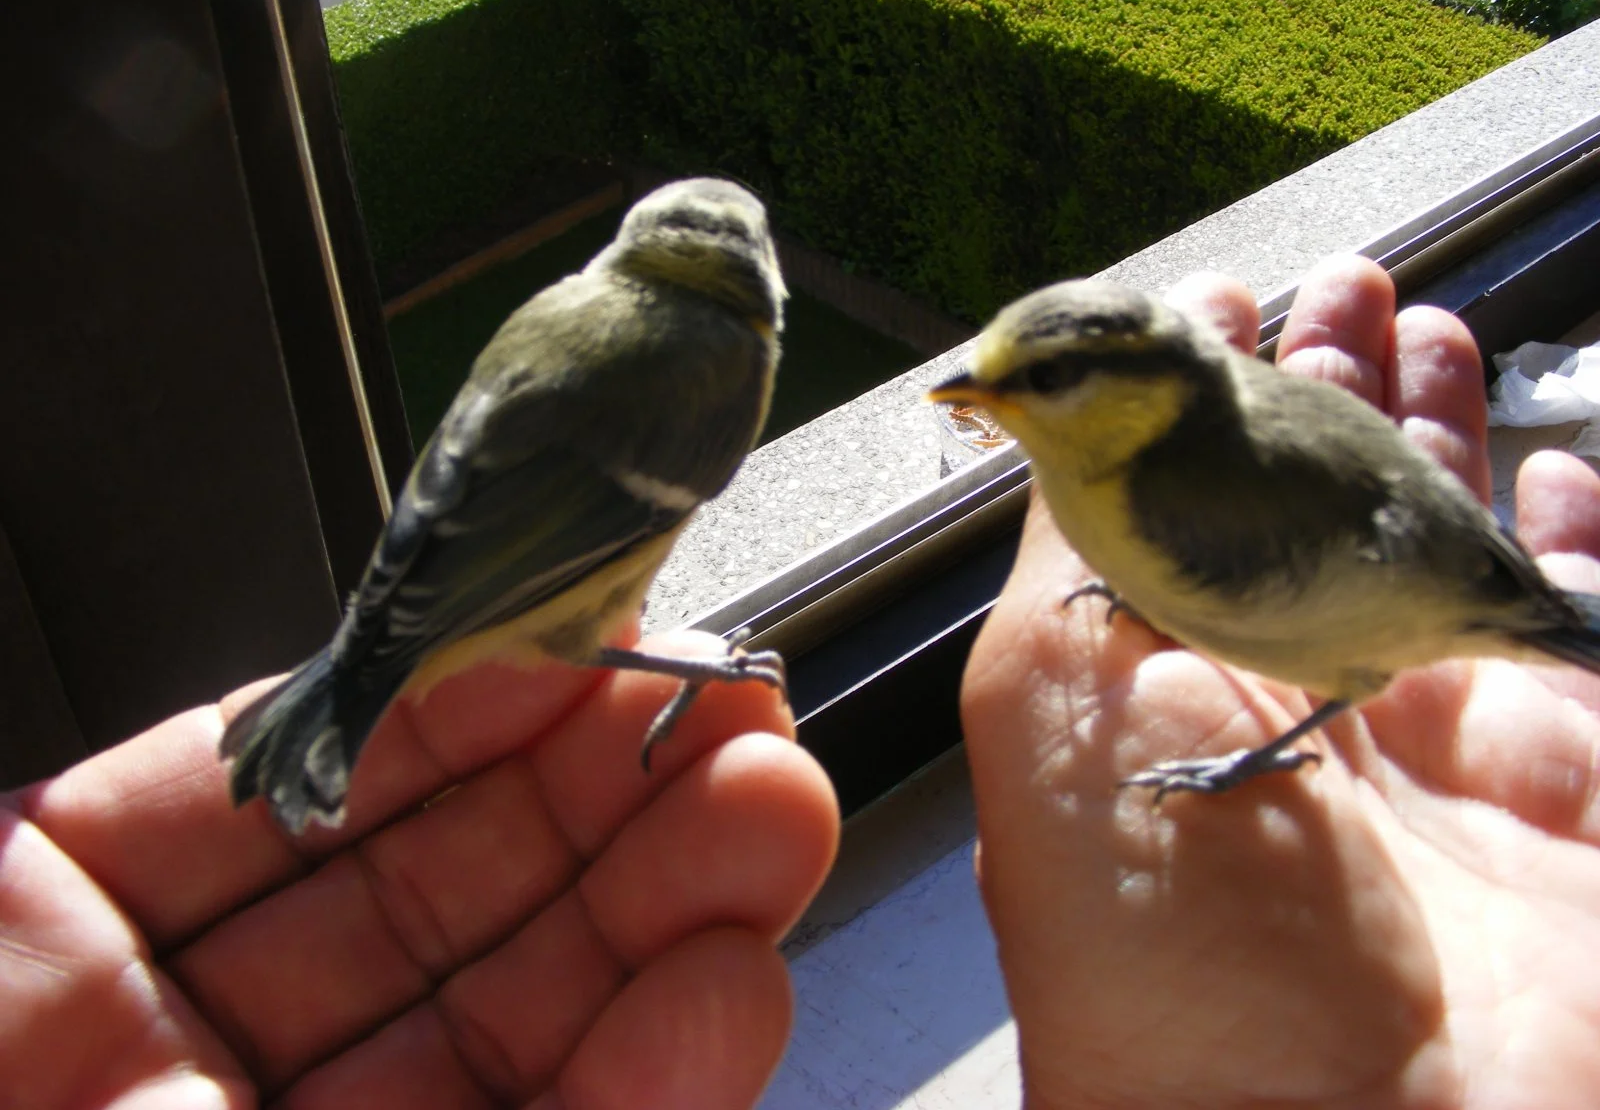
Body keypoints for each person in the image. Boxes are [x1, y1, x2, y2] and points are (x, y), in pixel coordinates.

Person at [5, 256, 1599, 1108]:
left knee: (1311, 672)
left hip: (1416, 601)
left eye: (1029, 383)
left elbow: (1379, 600)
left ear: (1141, 401)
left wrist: (1304, 724)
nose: (972, 394)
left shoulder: (1182, 506)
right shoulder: (1152, 476)